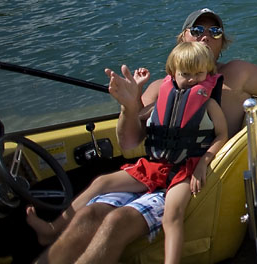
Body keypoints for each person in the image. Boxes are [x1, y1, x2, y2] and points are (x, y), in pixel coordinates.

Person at [35, 3, 257, 264]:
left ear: (222, 44)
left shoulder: (237, 74)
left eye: (214, 31)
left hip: (191, 184)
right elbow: (129, 141)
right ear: (182, 39)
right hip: (150, 172)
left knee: (114, 221)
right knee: (88, 213)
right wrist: (129, 107)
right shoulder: (160, 87)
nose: (205, 36)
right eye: (197, 30)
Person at [29, 42, 228, 263]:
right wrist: (132, 99)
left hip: (185, 171)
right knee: (101, 183)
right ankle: (52, 228)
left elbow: (222, 135)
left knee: (170, 216)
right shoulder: (161, 100)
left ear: (209, 73)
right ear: (172, 74)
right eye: (185, 74)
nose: (192, 80)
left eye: (198, 74)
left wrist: (204, 162)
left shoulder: (209, 104)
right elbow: (135, 128)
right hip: (155, 167)